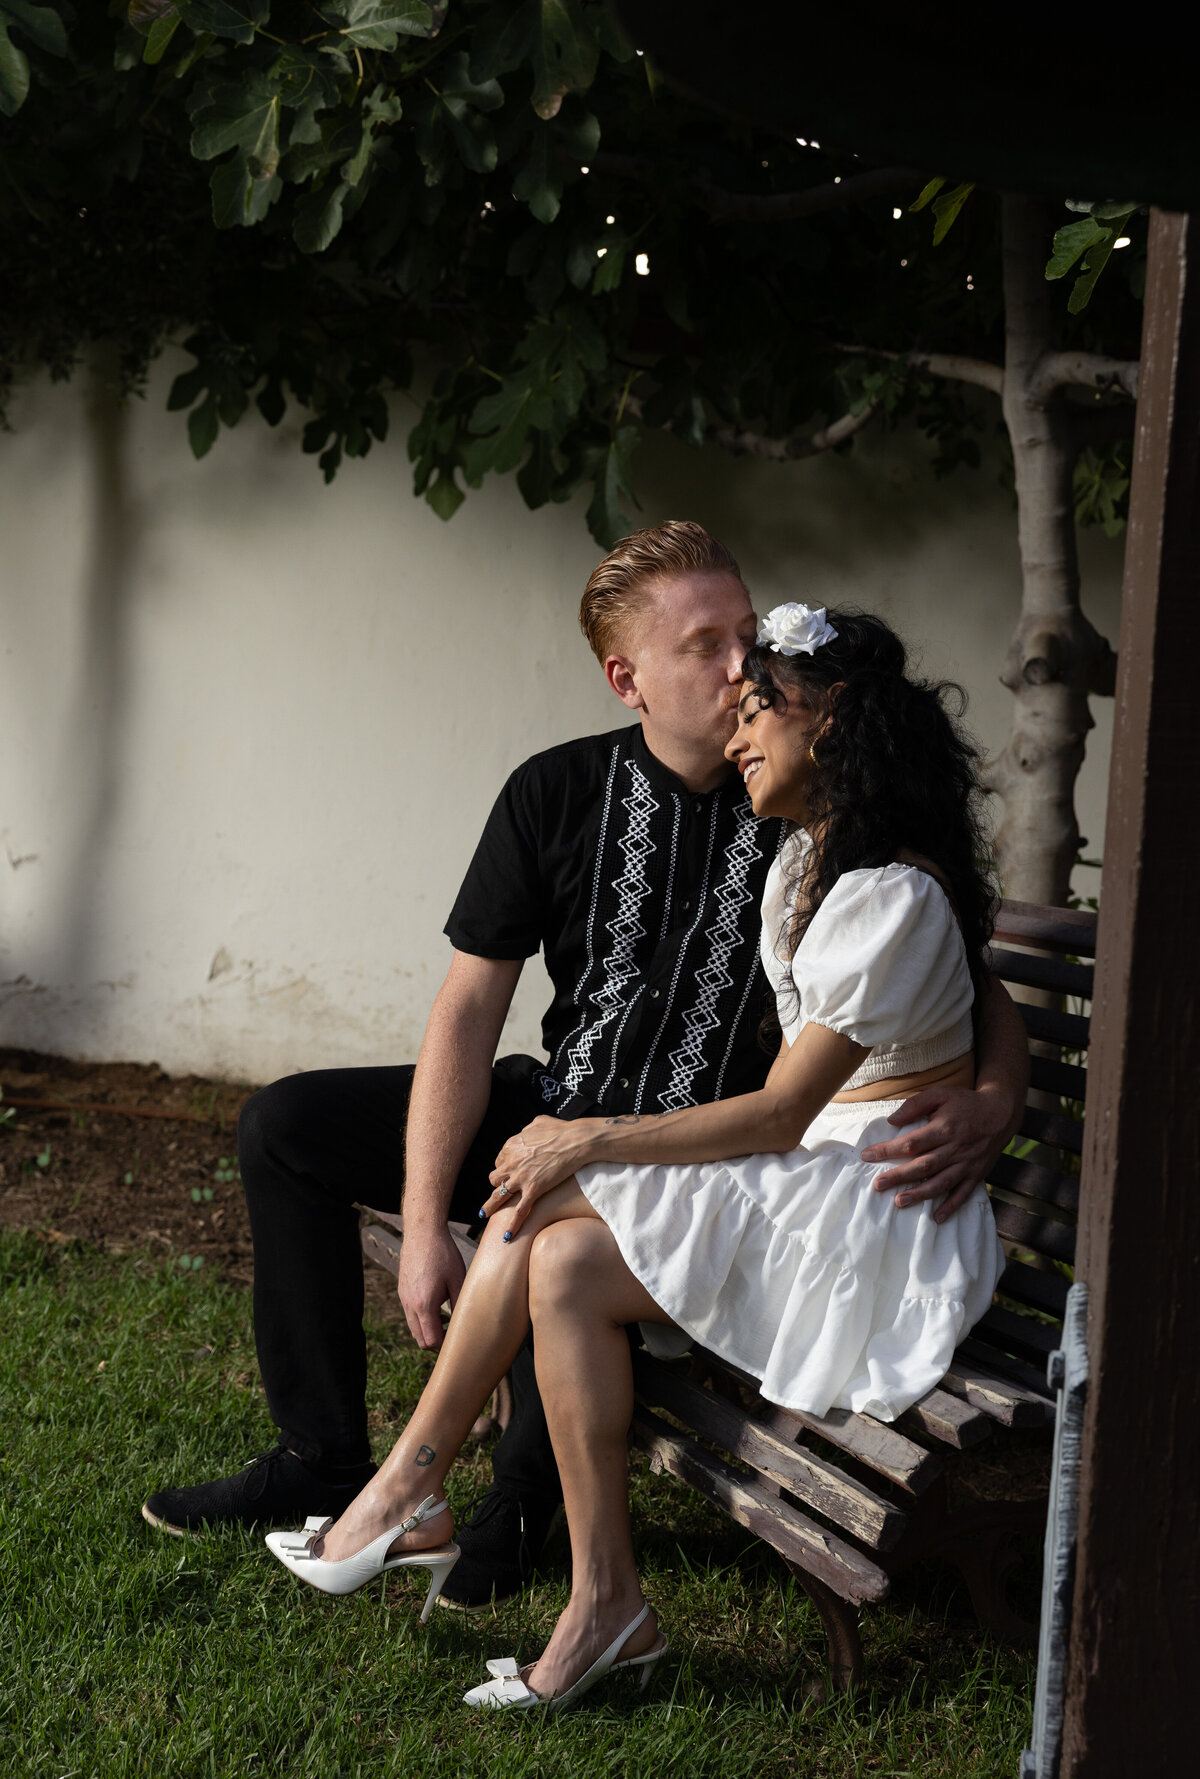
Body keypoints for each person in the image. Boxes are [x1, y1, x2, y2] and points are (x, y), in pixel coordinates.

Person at [143, 526, 1026, 1615]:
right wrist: (426, 1221)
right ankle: (327, 1456)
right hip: (562, 1113)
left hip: (718, 1141)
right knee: (285, 1124)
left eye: (749, 638)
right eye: (706, 646)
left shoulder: (809, 802)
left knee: (547, 1292)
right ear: (628, 679)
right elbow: (469, 1007)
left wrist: (996, 1094)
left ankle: (503, 1507)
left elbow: (958, 974)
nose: (741, 667)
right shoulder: (562, 792)